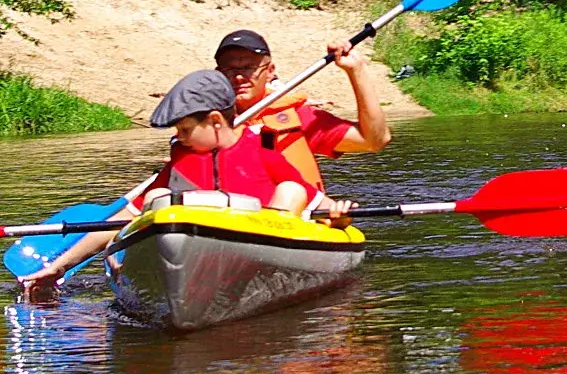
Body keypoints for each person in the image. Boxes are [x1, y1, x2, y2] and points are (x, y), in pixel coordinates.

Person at [19, 71, 353, 294]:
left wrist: (338, 218)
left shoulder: (263, 149)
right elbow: (121, 220)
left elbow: (316, 202)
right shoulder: (180, 163)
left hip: (263, 252)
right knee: (160, 197)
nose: (179, 138)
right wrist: (58, 267)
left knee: (291, 190)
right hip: (197, 257)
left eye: (185, 129)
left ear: (215, 120)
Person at [214, 29, 391, 191]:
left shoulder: (299, 116)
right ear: (218, 73)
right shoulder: (209, 121)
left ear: (270, 71)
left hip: (296, 211)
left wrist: (356, 70)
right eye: (229, 69)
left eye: (249, 68)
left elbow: (374, 140)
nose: (239, 77)